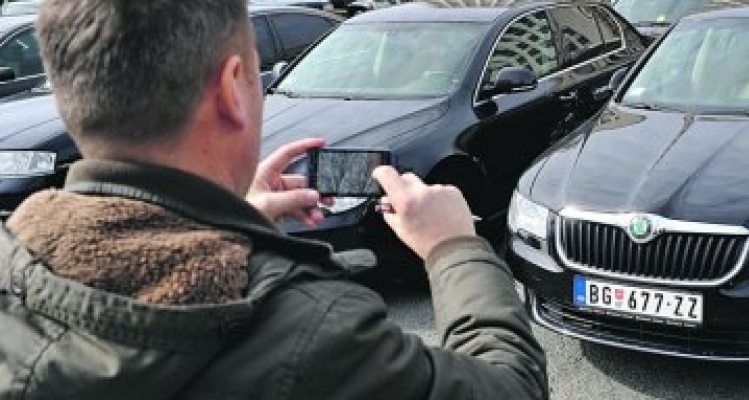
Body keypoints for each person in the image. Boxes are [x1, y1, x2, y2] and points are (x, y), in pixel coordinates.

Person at [0, 0, 548, 399]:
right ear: (232, 89)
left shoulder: (14, 260)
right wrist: (454, 249)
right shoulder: (316, 328)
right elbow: (511, 387)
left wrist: (232, 226)